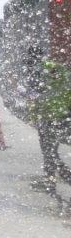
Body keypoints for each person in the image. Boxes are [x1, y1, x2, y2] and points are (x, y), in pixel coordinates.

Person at [24, 47, 71, 193]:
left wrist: (32, 117)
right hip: (64, 115)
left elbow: (33, 97)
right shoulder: (60, 69)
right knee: (52, 151)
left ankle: (53, 181)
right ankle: (54, 179)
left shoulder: (36, 73)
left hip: (48, 118)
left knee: (49, 152)